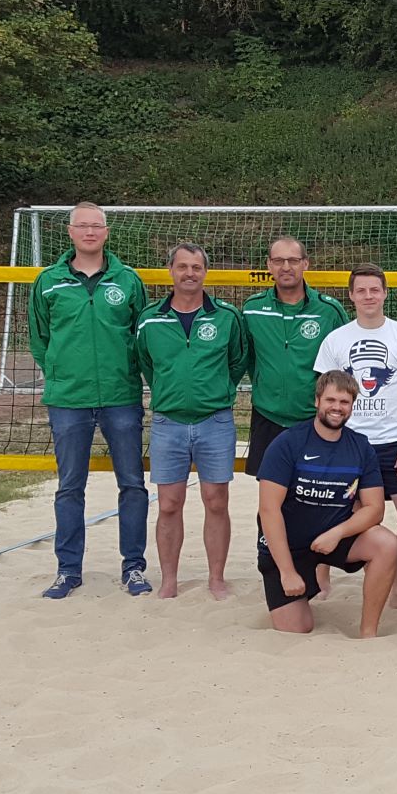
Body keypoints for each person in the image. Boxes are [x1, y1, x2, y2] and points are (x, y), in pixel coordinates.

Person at [27, 202, 150, 599]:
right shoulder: (48, 281)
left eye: (96, 225)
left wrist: (127, 374)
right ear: (70, 231)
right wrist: (62, 373)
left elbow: (141, 335)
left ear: (107, 231)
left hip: (120, 396)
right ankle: (68, 570)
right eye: (83, 225)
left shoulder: (128, 280)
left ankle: (133, 567)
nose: (90, 232)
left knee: (132, 484)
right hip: (68, 398)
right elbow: (40, 339)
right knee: (69, 487)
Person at [134, 243, 249, 601]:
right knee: (169, 503)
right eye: (182, 266)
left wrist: (215, 391)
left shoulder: (227, 317)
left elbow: (238, 362)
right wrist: (171, 392)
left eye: (196, 267)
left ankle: (216, 578)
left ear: (205, 272)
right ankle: (170, 580)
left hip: (215, 420)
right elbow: (146, 365)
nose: (189, 273)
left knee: (216, 500)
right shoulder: (150, 318)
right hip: (168, 422)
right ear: (170, 270)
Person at [313, 263, 397, 610]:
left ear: (385, 293)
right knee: (331, 509)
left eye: (374, 289)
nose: (368, 296)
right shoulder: (336, 339)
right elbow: (325, 396)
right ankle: (321, 580)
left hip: (395, 444)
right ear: (351, 295)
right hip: (349, 443)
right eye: (361, 290)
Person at [254, 371, 397, 637]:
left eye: (344, 402)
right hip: (289, 546)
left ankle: (368, 633)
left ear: (352, 406)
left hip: (332, 536)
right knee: (297, 628)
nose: (337, 407)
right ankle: (299, 587)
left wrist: (338, 533)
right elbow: (268, 511)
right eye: (331, 400)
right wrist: (287, 572)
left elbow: (375, 509)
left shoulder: (360, 446)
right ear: (317, 402)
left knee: (387, 544)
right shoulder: (288, 443)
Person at [242, 236, 348, 475]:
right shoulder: (252, 308)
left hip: (313, 417)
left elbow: (343, 366)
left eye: (293, 260)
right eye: (279, 260)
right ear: (268, 265)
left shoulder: (328, 310)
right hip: (267, 416)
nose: (286, 267)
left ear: (306, 264)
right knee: (270, 497)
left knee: (314, 493)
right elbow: (246, 357)